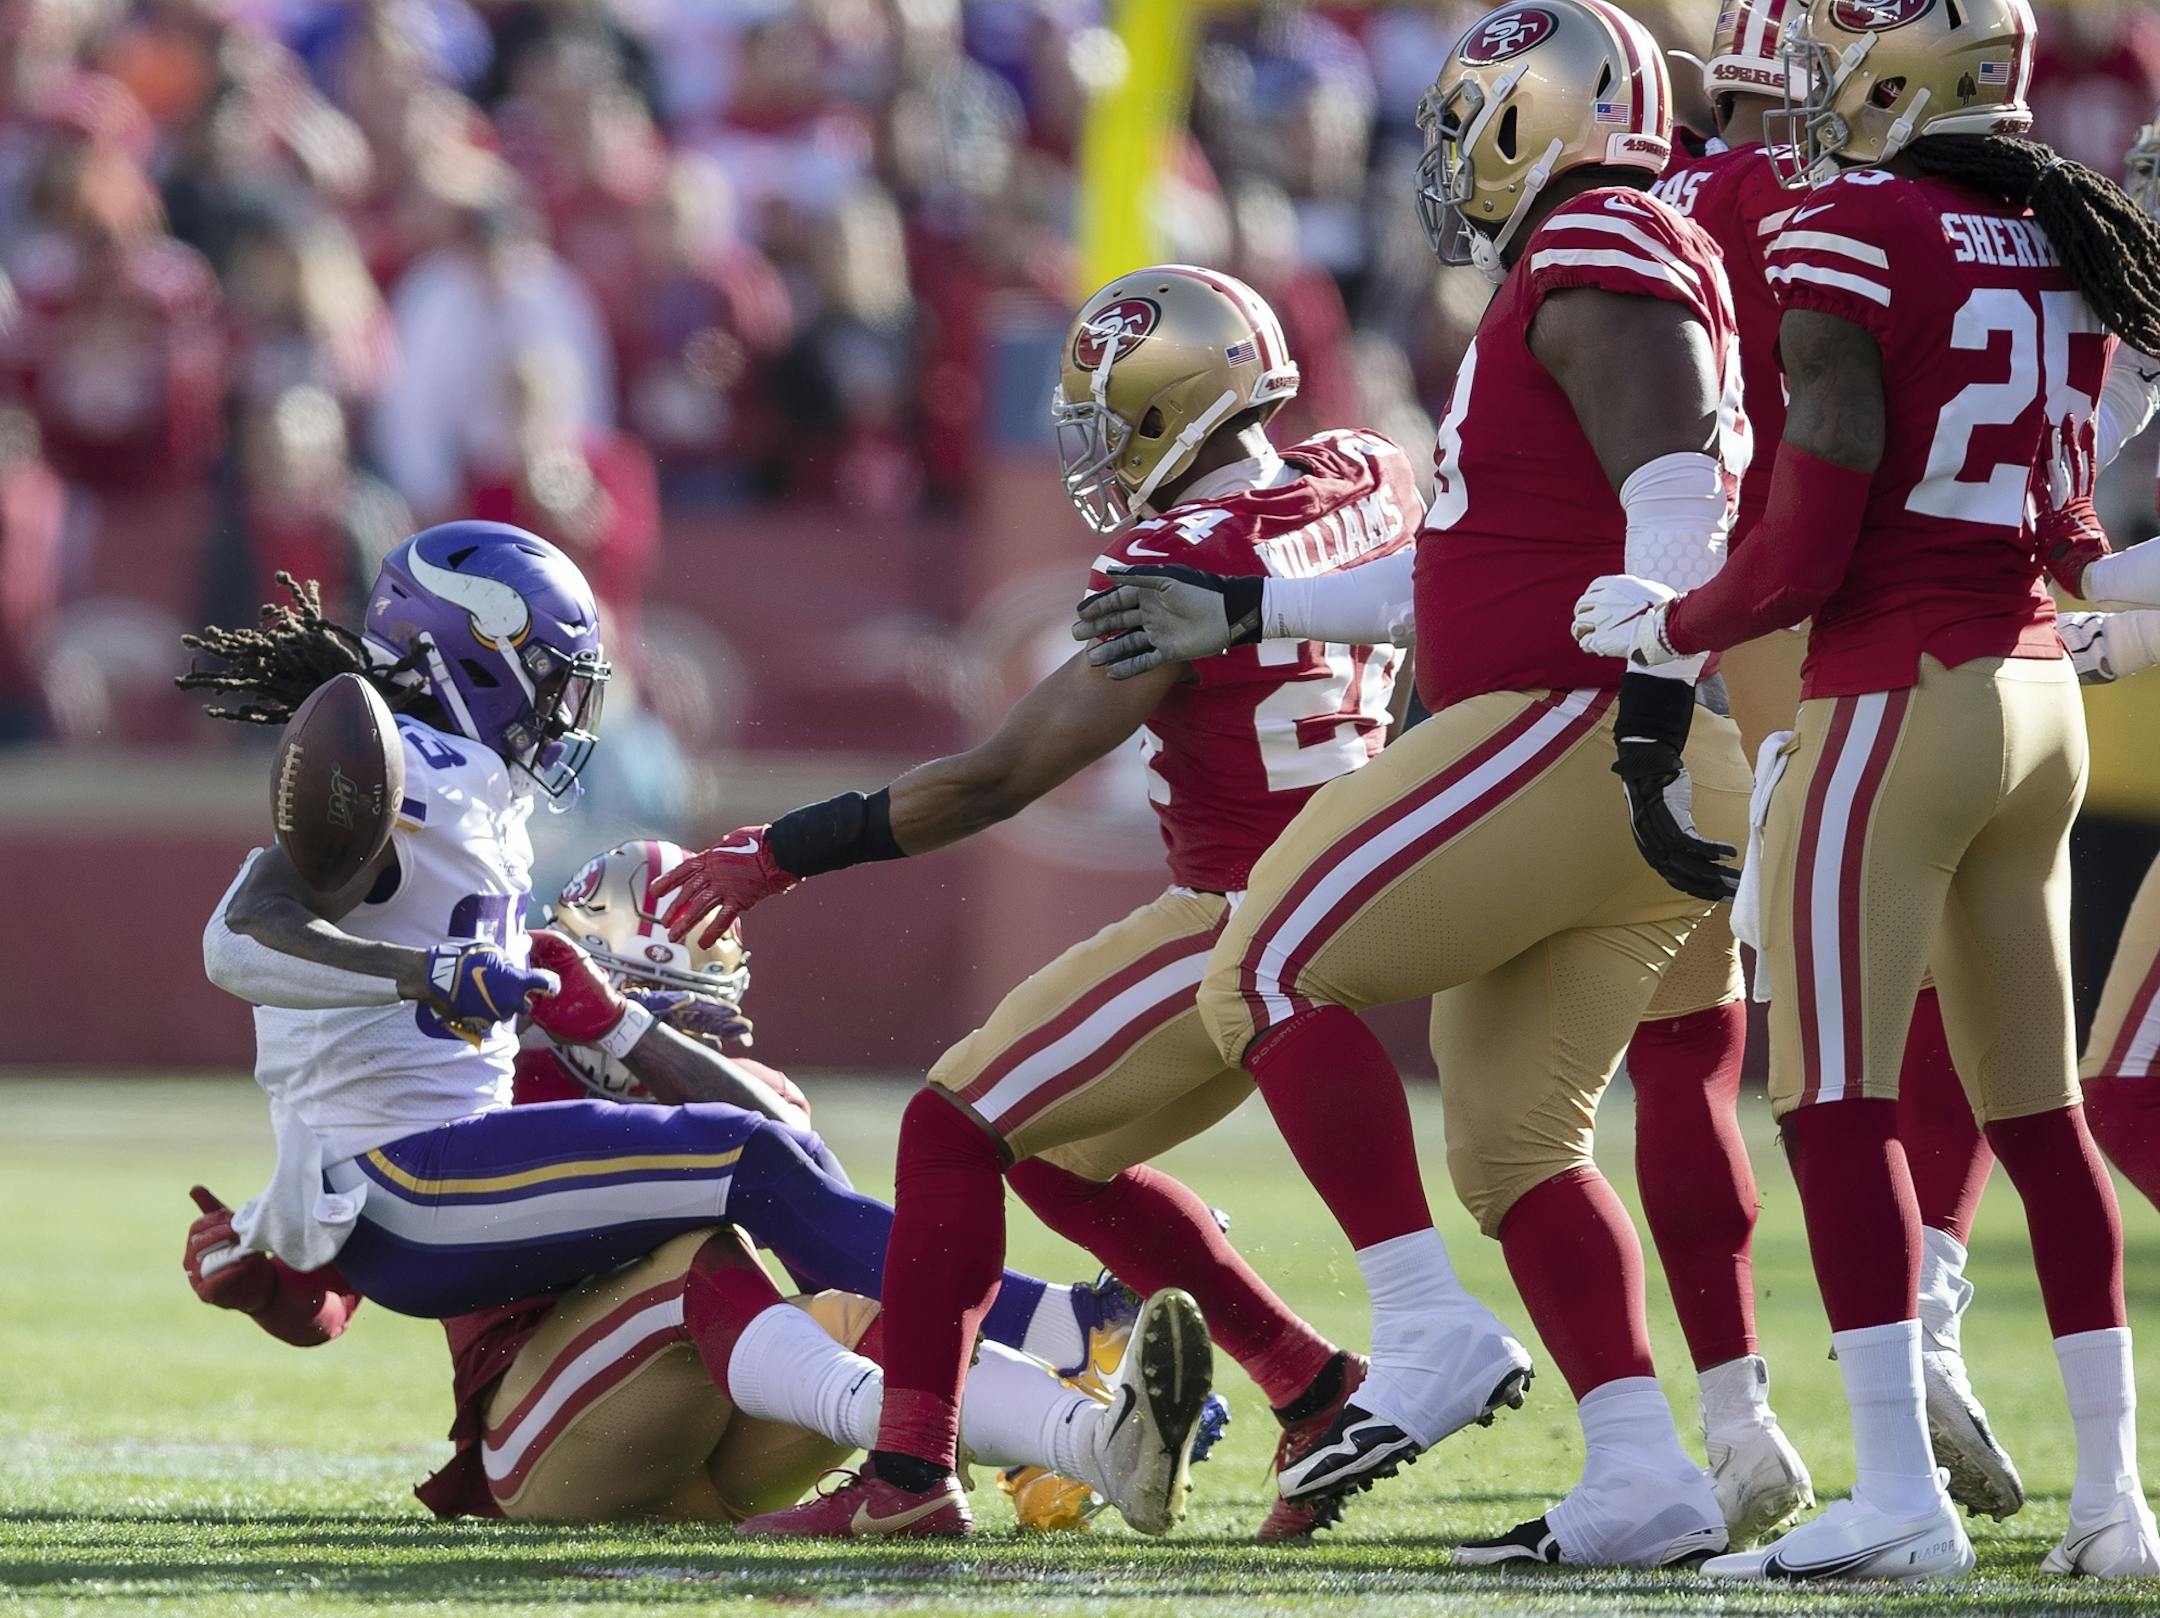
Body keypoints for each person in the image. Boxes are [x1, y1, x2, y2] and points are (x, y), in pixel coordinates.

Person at [1063, 0, 1756, 1568]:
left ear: (1540, 117)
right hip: (1612, 738)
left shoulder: (1598, 253)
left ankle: (1421, 1326)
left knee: (1266, 955)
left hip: (1575, 729)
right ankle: (1647, 1473)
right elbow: (1454, 570)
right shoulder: (1583, 265)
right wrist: (1255, 610)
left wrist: (1644, 710)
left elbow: (1680, 498)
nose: (1446, 159)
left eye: (1468, 122)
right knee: (1516, 1140)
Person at [655, 265, 1446, 1542]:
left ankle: (910, 1479)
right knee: (1069, 1160)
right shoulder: (1365, 475)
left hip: (1241, 916)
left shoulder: (1179, 560)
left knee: (950, 1124)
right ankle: (1309, 1384)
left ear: (1163, 404)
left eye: (1103, 413)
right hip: (1352, 886)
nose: (1093, 448)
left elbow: (997, 779)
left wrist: (783, 851)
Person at [1572, 0, 2160, 1580]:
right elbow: (2075, 512)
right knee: (2037, 1112)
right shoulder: (2059, 230)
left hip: (1898, 695)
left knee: (1836, 1103)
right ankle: (2118, 1501)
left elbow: (1813, 537)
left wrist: (1673, 621)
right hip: (2041, 698)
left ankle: (1898, 1495)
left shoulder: (1855, 226)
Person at [181, 528, 1135, 1385]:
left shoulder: (473, 787)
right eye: (549, 676)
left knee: (773, 1154)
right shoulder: (406, 767)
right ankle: (1054, 1335)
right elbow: (238, 937)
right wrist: (422, 974)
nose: (565, 708)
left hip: (425, 1176)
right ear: (468, 658)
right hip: (413, 1178)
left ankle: (1000, 1391)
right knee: (756, 1158)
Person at [178, 841, 1205, 1533]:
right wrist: (266, 1288)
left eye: (697, 1023)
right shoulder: (488, 1074)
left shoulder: (744, 1096)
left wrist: (632, 1031)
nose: (686, 1044)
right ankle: (1071, 1348)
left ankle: (1092, 1439)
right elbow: (340, 1289)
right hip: (550, 1446)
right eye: (657, 1011)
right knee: (690, 1266)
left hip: (739, 1435)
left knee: (852, 1303)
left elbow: (809, 1203)